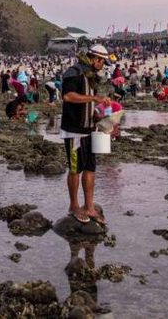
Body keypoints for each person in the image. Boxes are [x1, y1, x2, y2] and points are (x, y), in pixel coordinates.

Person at [60, 44, 111, 225]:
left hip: (90, 130)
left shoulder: (91, 77)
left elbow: (90, 107)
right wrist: (94, 98)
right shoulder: (74, 72)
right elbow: (68, 96)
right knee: (75, 169)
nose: (103, 66)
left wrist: (104, 120)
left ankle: (89, 207)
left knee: (90, 168)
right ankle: (74, 206)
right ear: (95, 59)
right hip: (73, 131)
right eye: (102, 62)